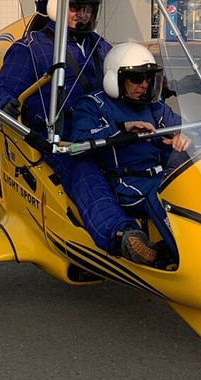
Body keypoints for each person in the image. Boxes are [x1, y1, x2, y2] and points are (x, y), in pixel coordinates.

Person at [0, 0, 157, 265]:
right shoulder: (31, 48)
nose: (84, 14)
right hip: (58, 135)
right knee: (83, 168)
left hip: (103, 126)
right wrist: (8, 105)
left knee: (154, 153)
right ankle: (121, 236)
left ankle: (177, 228)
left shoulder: (100, 46)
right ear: (58, 6)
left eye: (89, 8)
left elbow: (125, 77)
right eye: (76, 7)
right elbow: (3, 92)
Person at [68, 42, 192, 268]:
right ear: (116, 79)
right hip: (126, 183)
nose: (144, 85)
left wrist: (184, 137)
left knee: (191, 184)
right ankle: (188, 260)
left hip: (159, 175)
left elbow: (182, 126)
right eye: (136, 79)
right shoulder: (93, 105)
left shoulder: (153, 105)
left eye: (147, 78)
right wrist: (122, 128)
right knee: (162, 195)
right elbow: (79, 141)